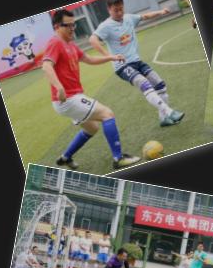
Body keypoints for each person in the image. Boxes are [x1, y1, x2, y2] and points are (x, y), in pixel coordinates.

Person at [43, 10, 140, 170]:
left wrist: (111, 57)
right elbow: (46, 66)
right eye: (68, 25)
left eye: (73, 24)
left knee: (92, 128)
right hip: (67, 99)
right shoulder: (55, 42)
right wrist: (59, 87)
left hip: (71, 98)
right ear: (57, 26)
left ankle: (66, 157)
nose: (72, 28)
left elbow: (89, 59)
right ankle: (118, 158)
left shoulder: (70, 44)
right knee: (107, 114)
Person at [89, 0, 185, 127]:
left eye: (121, 9)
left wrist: (161, 12)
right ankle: (169, 112)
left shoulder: (128, 18)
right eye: (116, 10)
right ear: (109, 10)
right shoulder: (106, 26)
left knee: (160, 85)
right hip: (122, 66)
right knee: (144, 84)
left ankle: (163, 119)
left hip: (137, 61)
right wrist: (109, 56)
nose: (120, 12)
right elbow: (92, 40)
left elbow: (144, 16)